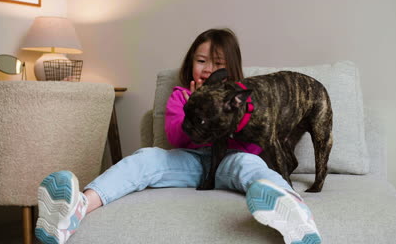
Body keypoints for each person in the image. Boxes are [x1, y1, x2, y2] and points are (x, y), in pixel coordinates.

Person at [35, 28, 321, 244]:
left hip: (230, 163)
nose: (208, 68)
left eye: (218, 63)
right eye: (201, 60)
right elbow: (175, 137)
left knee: (252, 166)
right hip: (189, 162)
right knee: (146, 157)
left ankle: (292, 211)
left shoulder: (243, 103)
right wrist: (196, 109)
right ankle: (78, 207)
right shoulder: (180, 95)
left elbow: (252, 146)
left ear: (231, 70)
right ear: (190, 64)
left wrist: (225, 114)